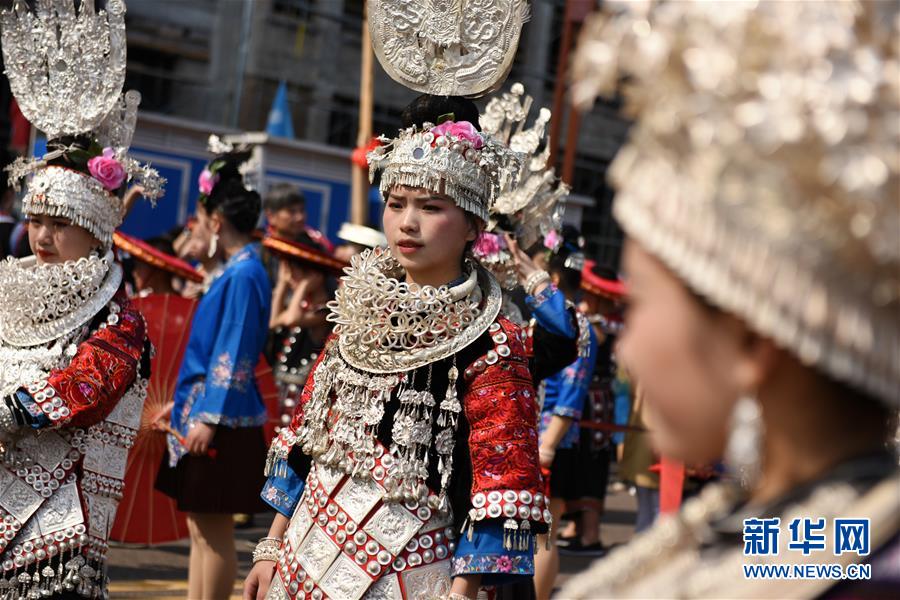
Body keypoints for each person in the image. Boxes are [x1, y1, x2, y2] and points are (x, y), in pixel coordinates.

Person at [561, 2, 899, 597]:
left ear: (749, 339)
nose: (627, 349)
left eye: (641, 306)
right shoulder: (806, 539)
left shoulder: (861, 573)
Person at [243, 113, 551, 600]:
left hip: (417, 569)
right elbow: (309, 434)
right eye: (395, 204)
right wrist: (270, 544)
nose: (407, 223)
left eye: (431, 207)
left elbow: (500, 481)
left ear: (473, 225)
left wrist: (462, 592)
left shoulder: (493, 342)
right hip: (306, 553)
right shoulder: (357, 313)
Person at [0, 1, 165, 597]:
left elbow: (88, 387)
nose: (42, 237)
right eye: (36, 220)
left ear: (96, 228)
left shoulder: (118, 317)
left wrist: (9, 413)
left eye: (60, 223)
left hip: (60, 519)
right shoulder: (8, 286)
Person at [156, 149, 272, 600]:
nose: (198, 228)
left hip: (221, 419)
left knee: (213, 529)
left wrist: (207, 416)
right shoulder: (237, 271)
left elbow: (233, 351)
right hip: (208, 410)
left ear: (217, 222)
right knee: (201, 527)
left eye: (202, 220)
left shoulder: (244, 274)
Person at [526, 229, 599, 600]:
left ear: (552, 277)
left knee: (543, 533)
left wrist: (548, 447)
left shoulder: (576, 325)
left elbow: (571, 395)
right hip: (537, 437)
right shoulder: (555, 321)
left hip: (552, 442)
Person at [264, 234, 342, 432]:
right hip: (281, 399)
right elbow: (273, 321)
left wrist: (304, 285)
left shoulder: (327, 311)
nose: (290, 278)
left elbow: (291, 319)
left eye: (294, 273)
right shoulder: (302, 308)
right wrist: (282, 284)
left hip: (301, 404)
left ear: (314, 276)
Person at [260, 183, 334, 285]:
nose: (300, 217)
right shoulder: (261, 250)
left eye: (302, 210)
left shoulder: (313, 249)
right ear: (271, 216)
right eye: (292, 212)